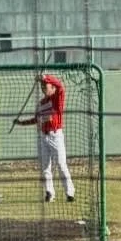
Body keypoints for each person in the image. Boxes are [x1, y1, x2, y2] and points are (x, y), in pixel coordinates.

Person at [16, 73, 75, 202]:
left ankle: (70, 193)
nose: (43, 88)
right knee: (45, 167)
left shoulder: (57, 98)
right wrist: (21, 123)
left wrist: (45, 77)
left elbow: (60, 87)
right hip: (43, 136)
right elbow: (36, 119)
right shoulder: (41, 103)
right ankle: (49, 193)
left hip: (55, 135)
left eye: (46, 86)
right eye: (42, 86)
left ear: (52, 87)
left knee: (61, 164)